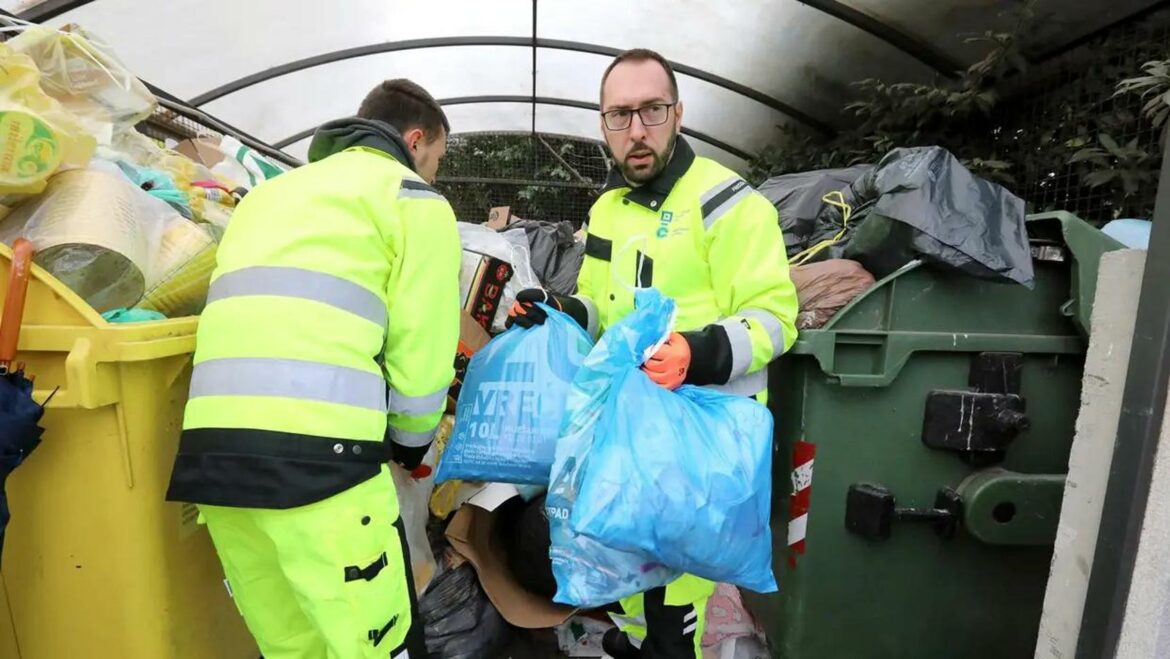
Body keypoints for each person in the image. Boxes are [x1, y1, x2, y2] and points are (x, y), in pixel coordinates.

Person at [508, 49, 799, 658]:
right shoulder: (607, 209)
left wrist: (699, 352)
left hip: (701, 455)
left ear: (678, 113)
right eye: (619, 116)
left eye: (651, 111)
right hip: (631, 447)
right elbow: (598, 307)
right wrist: (559, 310)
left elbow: (775, 317)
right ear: (603, 124)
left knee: (676, 619)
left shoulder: (730, 204)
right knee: (637, 601)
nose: (636, 131)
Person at [165, 79, 461, 659]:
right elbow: (422, 358)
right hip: (322, 472)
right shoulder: (412, 200)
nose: (434, 174)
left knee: (291, 648)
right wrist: (409, 446)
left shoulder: (267, 196)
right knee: (382, 644)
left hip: (213, 466)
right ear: (416, 139)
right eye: (437, 159)